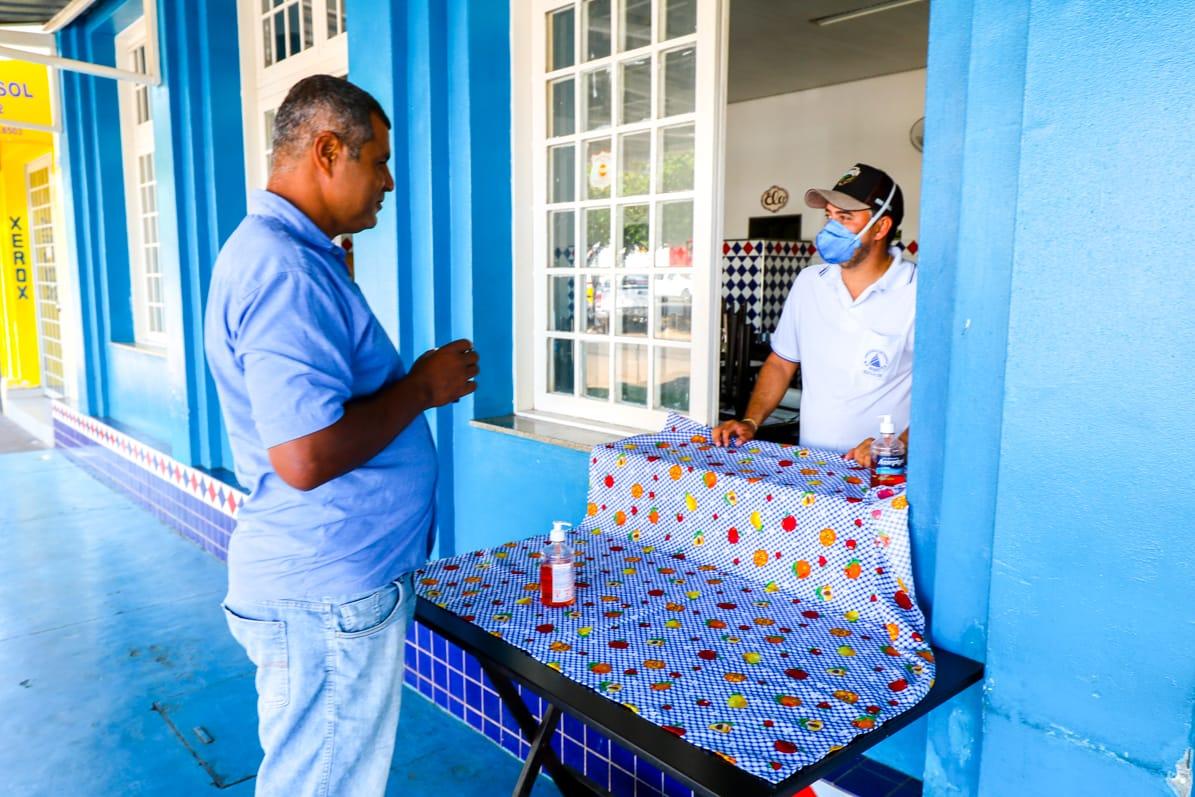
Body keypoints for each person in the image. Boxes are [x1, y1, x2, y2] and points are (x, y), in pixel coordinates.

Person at [204, 75, 479, 796]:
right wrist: (422, 388)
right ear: (329, 151)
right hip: (323, 588)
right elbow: (305, 456)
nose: (388, 182)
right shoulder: (285, 269)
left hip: (323, 579)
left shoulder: (291, 255)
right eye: (379, 161)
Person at [713, 163, 915, 467]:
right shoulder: (810, 282)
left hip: (883, 471)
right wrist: (751, 421)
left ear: (881, 227)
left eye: (845, 217)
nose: (831, 227)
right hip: (813, 465)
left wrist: (897, 446)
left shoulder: (918, 292)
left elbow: (942, 391)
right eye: (829, 216)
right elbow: (782, 363)